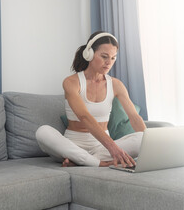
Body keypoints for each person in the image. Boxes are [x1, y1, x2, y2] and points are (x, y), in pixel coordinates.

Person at [36, 31, 146, 167]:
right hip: (72, 146)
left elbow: (134, 118)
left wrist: (151, 148)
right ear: (89, 54)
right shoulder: (71, 82)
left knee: (142, 138)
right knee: (43, 131)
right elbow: (84, 116)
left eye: (113, 58)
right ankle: (98, 163)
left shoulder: (116, 85)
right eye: (104, 56)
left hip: (102, 149)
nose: (108, 63)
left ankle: (82, 161)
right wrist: (114, 149)